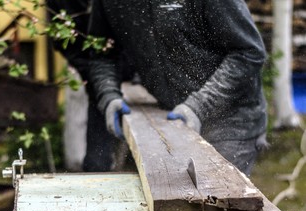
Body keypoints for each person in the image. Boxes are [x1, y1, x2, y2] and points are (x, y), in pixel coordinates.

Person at [86, 0, 269, 176]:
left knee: (218, 201)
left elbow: (248, 52)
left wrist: (199, 105)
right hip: (171, 114)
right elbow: (101, 53)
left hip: (230, 119)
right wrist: (108, 95)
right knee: (176, 198)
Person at [46, 0, 135, 172]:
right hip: (85, 67)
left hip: (123, 63)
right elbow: (61, 40)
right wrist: (95, 76)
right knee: (87, 155)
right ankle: (86, 172)